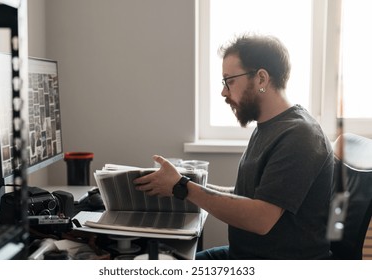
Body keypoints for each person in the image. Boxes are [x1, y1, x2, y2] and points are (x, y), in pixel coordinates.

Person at [134, 34, 334, 259]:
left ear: (261, 79)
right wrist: (183, 182)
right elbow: (247, 196)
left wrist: (183, 187)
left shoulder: (300, 135)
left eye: (230, 81)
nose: (224, 92)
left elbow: (261, 218)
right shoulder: (268, 127)